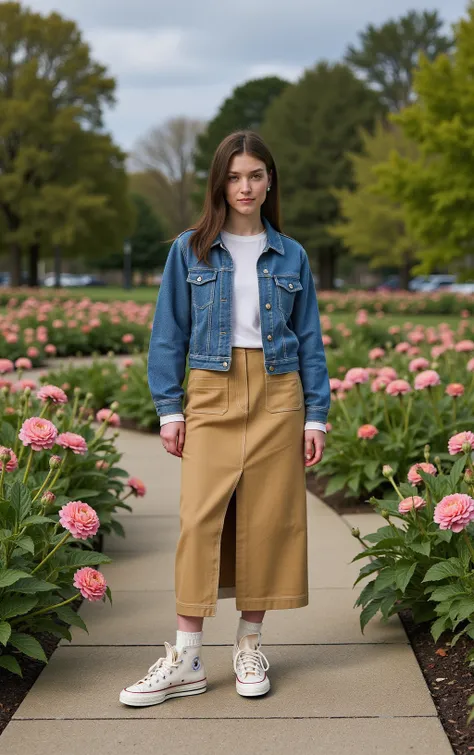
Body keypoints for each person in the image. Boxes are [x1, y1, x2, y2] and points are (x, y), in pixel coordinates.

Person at [119, 130, 330, 707]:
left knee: (265, 520)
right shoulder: (188, 249)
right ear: (220, 181)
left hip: (278, 391)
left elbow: (309, 339)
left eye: (256, 175)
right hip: (210, 390)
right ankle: (186, 656)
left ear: (269, 182)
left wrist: (316, 417)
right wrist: (168, 407)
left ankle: (249, 645)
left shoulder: (292, 254)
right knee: (199, 521)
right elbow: (168, 334)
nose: (245, 186)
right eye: (235, 176)